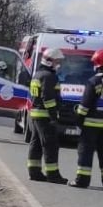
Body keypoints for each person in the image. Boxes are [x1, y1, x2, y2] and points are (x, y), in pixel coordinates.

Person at [71, 48, 103, 190]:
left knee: (85, 152)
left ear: (98, 64)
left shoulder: (94, 81)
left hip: (90, 125)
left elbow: (85, 104)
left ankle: (82, 181)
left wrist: (79, 120)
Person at [25, 49, 67, 183]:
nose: (58, 64)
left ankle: (34, 172)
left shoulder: (37, 74)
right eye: (57, 61)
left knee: (36, 143)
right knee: (51, 145)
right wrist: (54, 116)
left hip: (36, 114)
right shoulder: (49, 77)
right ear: (49, 61)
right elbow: (47, 98)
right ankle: (53, 174)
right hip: (45, 116)